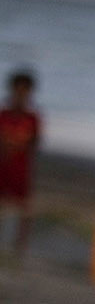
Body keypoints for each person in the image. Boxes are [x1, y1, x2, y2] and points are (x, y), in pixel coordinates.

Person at [0, 68, 39, 258]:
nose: (21, 95)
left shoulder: (32, 118)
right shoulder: (3, 115)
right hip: (2, 167)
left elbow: (35, 144)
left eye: (25, 91)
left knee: (24, 207)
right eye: (18, 90)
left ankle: (20, 247)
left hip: (21, 168)